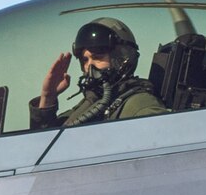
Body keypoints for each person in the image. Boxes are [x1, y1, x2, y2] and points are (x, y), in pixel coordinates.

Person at [28, 17, 166, 130]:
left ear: (122, 59)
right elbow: (42, 145)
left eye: (97, 57)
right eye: (84, 59)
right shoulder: (91, 104)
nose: (89, 66)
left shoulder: (139, 106)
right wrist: (48, 97)